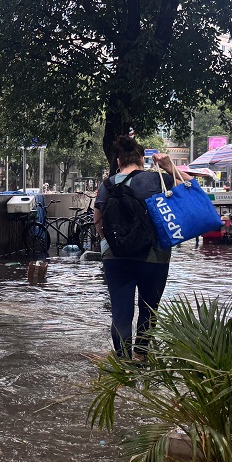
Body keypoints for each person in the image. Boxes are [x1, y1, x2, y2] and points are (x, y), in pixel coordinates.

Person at [93, 135, 185, 360]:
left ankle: (122, 364)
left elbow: (98, 220)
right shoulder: (156, 180)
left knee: (121, 313)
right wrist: (169, 166)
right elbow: (191, 190)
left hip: (116, 257)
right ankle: (141, 357)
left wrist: (113, 244)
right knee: (148, 310)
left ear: (118, 161)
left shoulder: (107, 185)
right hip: (154, 255)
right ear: (142, 159)